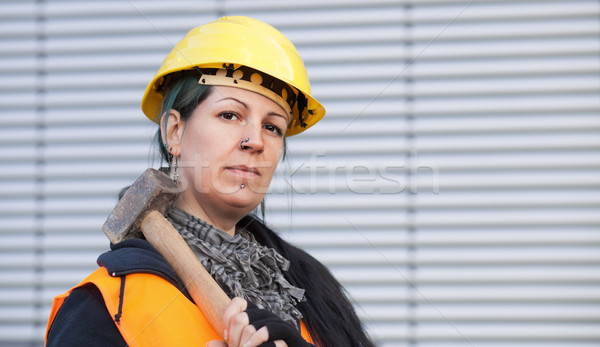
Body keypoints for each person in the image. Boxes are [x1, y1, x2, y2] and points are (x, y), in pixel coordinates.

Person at [45, 16, 374, 347]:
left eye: (272, 127)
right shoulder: (104, 307)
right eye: (230, 115)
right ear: (174, 131)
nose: (255, 141)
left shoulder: (312, 292)